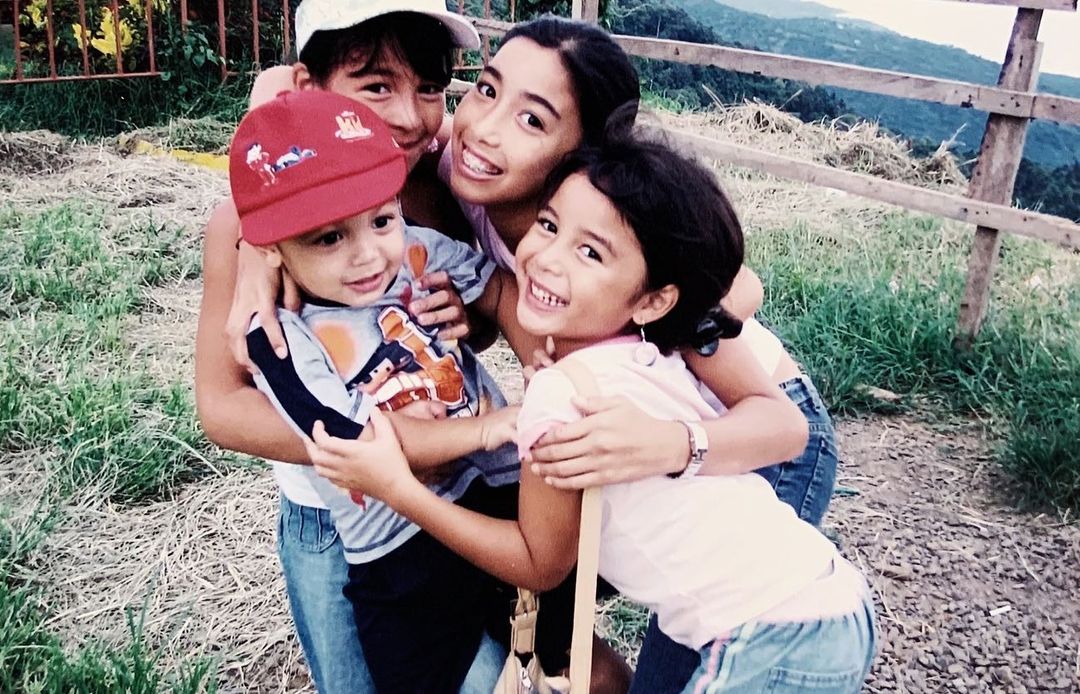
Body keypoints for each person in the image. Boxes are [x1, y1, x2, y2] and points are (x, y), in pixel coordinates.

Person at [307, 131, 877, 694]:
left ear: (653, 300)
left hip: (762, 635)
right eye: (548, 226)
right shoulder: (649, 350)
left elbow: (539, 564)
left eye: (590, 253)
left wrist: (399, 489)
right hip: (827, 598)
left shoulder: (560, 397)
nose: (547, 259)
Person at [194, 3, 506, 692]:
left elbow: (472, 332)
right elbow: (221, 408)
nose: (409, 116)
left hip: (463, 493)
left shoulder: (437, 187)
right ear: (309, 86)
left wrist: (462, 318)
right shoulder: (248, 223)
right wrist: (375, 446)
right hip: (336, 524)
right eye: (376, 87)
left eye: (430, 87)